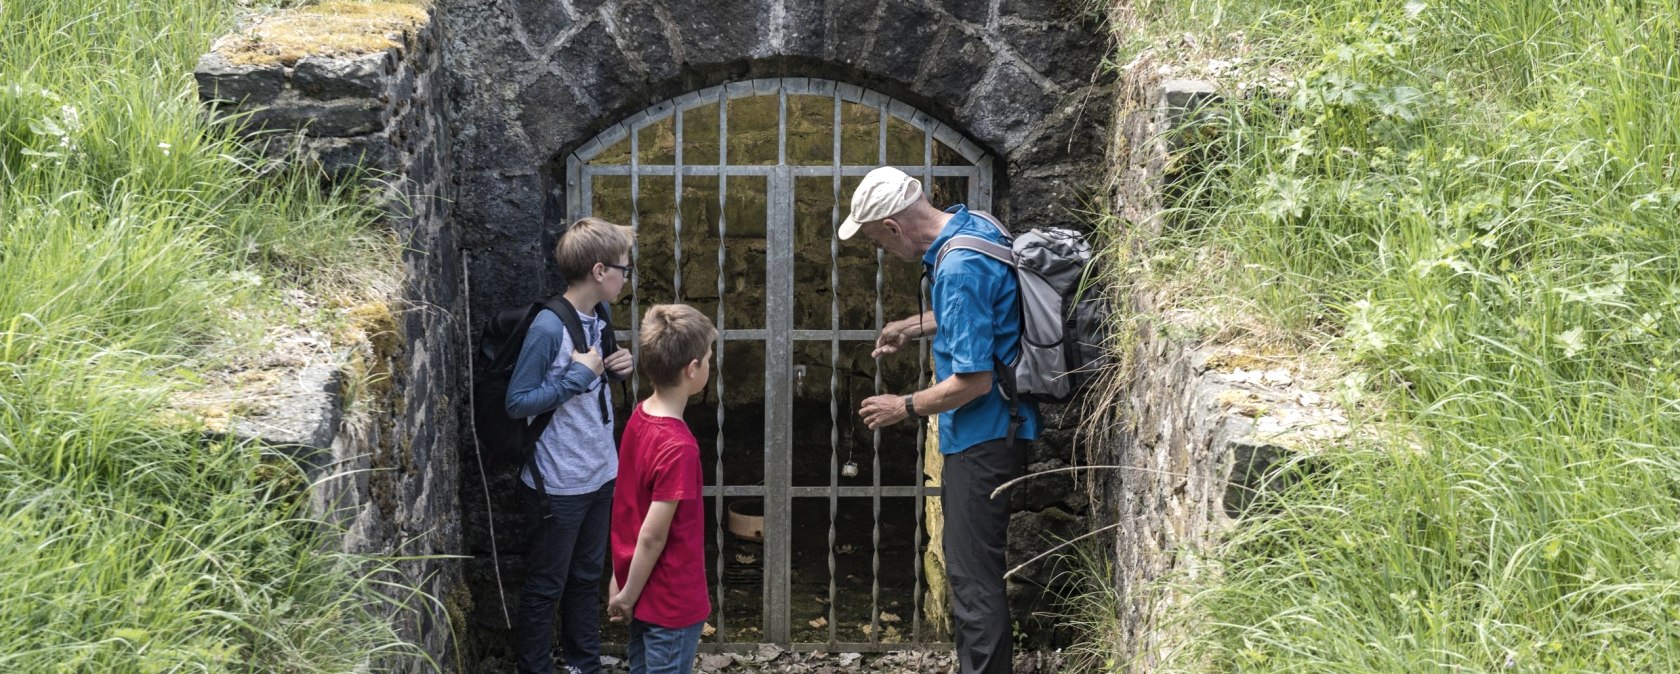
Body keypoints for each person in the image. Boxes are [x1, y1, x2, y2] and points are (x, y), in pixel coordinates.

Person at [840, 166, 1041, 674]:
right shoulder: (975, 227)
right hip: (1004, 426)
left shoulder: (956, 268)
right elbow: (984, 313)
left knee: (973, 578)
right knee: (975, 572)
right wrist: (912, 325)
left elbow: (972, 382)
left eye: (877, 241)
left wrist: (901, 406)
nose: (882, 251)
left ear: (892, 226)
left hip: (983, 437)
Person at [505, 217, 636, 674]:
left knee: (585, 579)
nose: (627, 276)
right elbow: (518, 402)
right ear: (600, 271)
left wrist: (618, 367)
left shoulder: (599, 316)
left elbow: (594, 377)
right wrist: (579, 377)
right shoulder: (548, 327)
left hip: (600, 472)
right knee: (546, 585)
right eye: (624, 268)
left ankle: (584, 665)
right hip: (557, 483)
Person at [607, 304, 716, 674]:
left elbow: (628, 506)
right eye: (709, 359)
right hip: (671, 599)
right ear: (692, 369)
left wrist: (620, 581)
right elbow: (653, 534)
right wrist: (626, 595)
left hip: (639, 584)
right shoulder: (679, 448)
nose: (710, 366)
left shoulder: (639, 416)